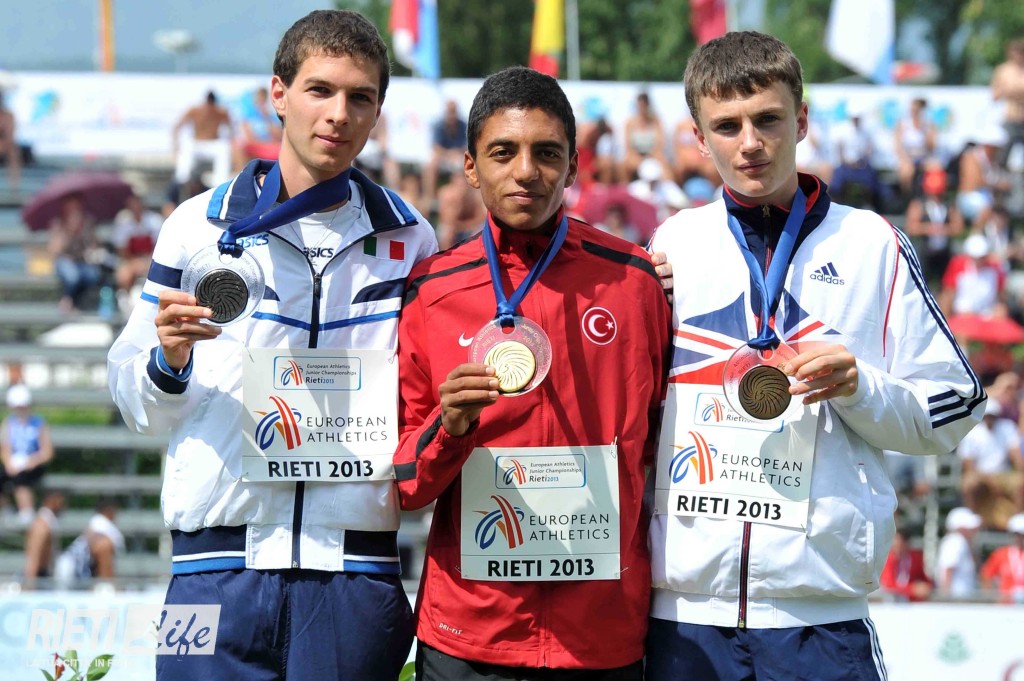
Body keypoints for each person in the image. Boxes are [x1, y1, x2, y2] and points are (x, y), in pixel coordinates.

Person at [108, 10, 437, 680]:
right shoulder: (196, 226)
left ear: (378, 112)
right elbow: (134, 399)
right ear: (278, 94)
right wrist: (168, 361)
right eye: (320, 90)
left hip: (353, 573)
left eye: (360, 97)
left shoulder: (410, 238)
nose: (339, 113)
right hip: (209, 568)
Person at [646, 32, 984, 681]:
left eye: (768, 119)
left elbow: (957, 403)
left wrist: (860, 388)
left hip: (819, 619)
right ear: (699, 137)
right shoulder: (673, 243)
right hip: (684, 618)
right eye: (727, 125)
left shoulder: (872, 243)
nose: (750, 142)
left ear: (801, 120)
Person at [394, 66, 670, 680]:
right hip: (470, 634)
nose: (526, 171)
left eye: (547, 153)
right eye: (503, 152)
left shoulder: (633, 281)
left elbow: (658, 444)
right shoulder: (432, 291)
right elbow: (405, 485)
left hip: (599, 635)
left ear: (572, 168)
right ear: (471, 167)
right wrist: (450, 425)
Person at [956, 399, 1024, 531]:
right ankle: (972, 516)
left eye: (992, 416)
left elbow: (1015, 454)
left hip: (1004, 474)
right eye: (987, 416)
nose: (989, 419)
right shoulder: (973, 432)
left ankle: (1018, 518)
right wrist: (981, 478)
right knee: (969, 483)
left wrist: (1021, 471)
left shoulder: (1007, 428)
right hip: (981, 475)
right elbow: (968, 463)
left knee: (1022, 483)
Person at [904, 162, 964, 288]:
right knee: (921, 283)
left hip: (944, 252)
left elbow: (958, 227)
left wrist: (943, 230)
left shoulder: (949, 205)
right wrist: (930, 229)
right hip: (925, 252)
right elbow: (911, 227)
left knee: (947, 284)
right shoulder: (919, 204)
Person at [1, 384, 54, 527]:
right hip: (14, 464)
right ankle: (6, 508)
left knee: (21, 477)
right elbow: (5, 448)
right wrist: (9, 463)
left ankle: (26, 511)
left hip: (34, 464)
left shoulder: (39, 423)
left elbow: (47, 451)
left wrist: (31, 462)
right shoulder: (8, 423)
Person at [47, 192, 102, 313]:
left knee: (93, 274)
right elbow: (55, 250)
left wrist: (90, 247)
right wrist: (69, 232)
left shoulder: (88, 222)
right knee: (72, 275)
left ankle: (77, 301)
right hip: (64, 260)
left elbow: (95, 245)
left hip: (83, 261)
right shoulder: (58, 223)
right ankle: (67, 299)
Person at [53, 498, 124, 588]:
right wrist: (110, 587)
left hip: (69, 570)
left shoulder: (96, 526)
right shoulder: (103, 529)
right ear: (110, 511)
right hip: (73, 573)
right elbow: (103, 549)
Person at [172, 90, 233, 187]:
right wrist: (175, 145)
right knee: (187, 147)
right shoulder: (195, 111)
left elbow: (231, 129)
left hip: (212, 144)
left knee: (224, 148)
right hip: (197, 144)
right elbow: (178, 126)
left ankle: (219, 182)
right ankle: (182, 180)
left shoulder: (220, 112)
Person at [111, 192, 163, 304]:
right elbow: (122, 249)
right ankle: (126, 299)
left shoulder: (155, 221)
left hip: (152, 259)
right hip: (131, 260)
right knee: (123, 275)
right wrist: (135, 263)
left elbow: (160, 246)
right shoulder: (123, 222)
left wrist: (146, 261)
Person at [939, 233, 1006, 318]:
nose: (978, 261)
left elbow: (1001, 299)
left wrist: (999, 311)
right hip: (962, 316)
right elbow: (947, 295)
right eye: (975, 257)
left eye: (981, 257)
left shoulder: (995, 270)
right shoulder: (958, 266)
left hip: (987, 317)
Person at [424, 98, 468, 202]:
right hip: (444, 156)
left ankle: (464, 197)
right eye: (450, 112)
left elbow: (468, 145)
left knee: (467, 162)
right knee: (431, 165)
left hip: (459, 155)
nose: (451, 115)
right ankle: (431, 198)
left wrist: (456, 153)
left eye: (453, 112)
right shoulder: (439, 125)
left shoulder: (463, 125)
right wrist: (449, 154)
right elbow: (436, 147)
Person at [990, 39, 1024, 172]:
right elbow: (995, 95)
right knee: (1004, 151)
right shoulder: (1003, 70)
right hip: (1010, 117)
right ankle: (999, 175)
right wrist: (1011, 92)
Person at [22, 488, 65, 589]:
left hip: (45, 576)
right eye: (60, 501)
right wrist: (30, 585)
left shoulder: (49, 523)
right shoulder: (41, 525)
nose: (62, 505)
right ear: (50, 500)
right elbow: (34, 556)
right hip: (40, 577)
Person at [894, 97, 937, 197]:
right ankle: (908, 197)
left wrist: (926, 134)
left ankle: (930, 198)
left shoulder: (928, 124)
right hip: (907, 157)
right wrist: (906, 159)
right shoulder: (903, 123)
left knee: (935, 169)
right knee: (907, 171)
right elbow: (897, 146)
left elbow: (932, 147)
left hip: (924, 157)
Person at [935, 506, 982, 599]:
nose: (974, 530)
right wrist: (946, 598)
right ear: (960, 528)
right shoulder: (955, 542)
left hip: (961, 599)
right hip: (956, 600)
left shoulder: (961, 542)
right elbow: (948, 570)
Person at [878, 525, 932, 602]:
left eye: (899, 542)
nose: (896, 545)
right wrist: (912, 589)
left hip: (910, 601)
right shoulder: (887, 559)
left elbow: (923, 577)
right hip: (891, 600)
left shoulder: (915, 558)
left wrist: (927, 586)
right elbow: (889, 584)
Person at [979, 512, 1024, 603]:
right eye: (1017, 535)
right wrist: (993, 598)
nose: (1020, 538)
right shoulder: (1001, 554)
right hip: (1005, 606)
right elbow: (986, 575)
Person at [233, 86, 283, 168]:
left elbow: (277, 135)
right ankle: (242, 172)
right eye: (259, 99)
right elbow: (249, 137)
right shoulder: (249, 115)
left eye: (263, 99)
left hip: (269, 145)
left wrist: (267, 117)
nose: (261, 102)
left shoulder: (270, 116)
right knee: (238, 146)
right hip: (257, 144)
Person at [623, 92, 668, 182]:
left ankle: (667, 186)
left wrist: (650, 158)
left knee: (664, 166)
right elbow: (629, 148)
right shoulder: (630, 123)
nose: (642, 108)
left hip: (653, 155)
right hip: (636, 155)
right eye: (640, 105)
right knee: (625, 165)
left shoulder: (656, 122)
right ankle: (626, 187)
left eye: (644, 105)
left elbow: (659, 145)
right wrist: (641, 160)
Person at [0, 88, 21, 189]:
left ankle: (14, 184)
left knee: (13, 152)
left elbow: (10, 135)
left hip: (5, 144)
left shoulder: (8, 115)